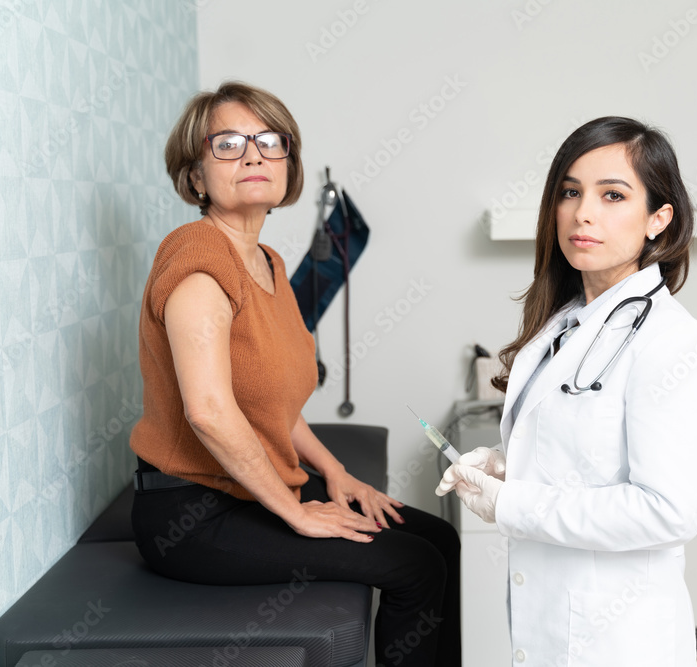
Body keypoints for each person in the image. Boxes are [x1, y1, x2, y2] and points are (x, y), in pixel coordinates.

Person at [129, 81, 460, 667]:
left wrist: (335, 475)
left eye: (269, 141)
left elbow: (272, 405)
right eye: (228, 144)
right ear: (197, 176)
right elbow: (208, 411)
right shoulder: (198, 262)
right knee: (414, 565)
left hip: (251, 488)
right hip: (193, 515)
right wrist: (296, 512)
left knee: (439, 538)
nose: (253, 155)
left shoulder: (269, 263)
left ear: (288, 163)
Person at [438, 116, 697, 666]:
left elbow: (669, 510)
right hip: (549, 618)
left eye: (613, 195)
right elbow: (579, 452)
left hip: (618, 637)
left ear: (659, 219)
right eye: (570, 192)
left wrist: (513, 503)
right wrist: (505, 465)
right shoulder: (564, 323)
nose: (582, 212)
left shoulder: (674, 343)